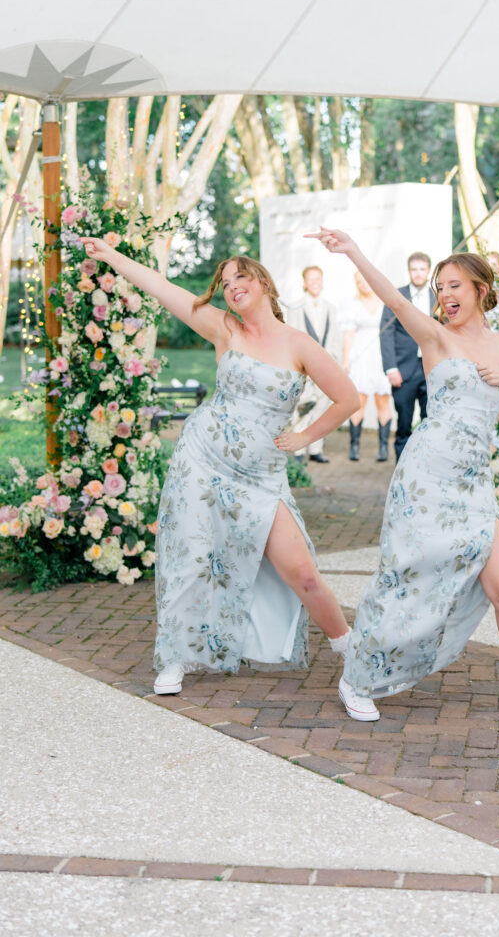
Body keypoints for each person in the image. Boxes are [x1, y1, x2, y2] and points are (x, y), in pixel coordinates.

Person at [306, 228, 499, 722]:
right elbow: (390, 295)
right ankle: (358, 677)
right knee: (405, 578)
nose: (445, 295)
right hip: (428, 475)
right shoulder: (434, 336)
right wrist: (353, 252)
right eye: (440, 287)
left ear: (480, 289)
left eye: (455, 285)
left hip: (475, 480)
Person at [81, 237, 358, 696]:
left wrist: (307, 436)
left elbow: (348, 397)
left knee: (302, 570)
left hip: (261, 476)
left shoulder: (299, 344)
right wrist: (111, 257)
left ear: (263, 282)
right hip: (201, 462)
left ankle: (350, 649)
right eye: (224, 283)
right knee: (190, 558)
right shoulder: (224, 329)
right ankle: (176, 656)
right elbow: (160, 286)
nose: (231, 287)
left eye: (240, 278)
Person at [379, 252, 432, 461]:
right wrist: (391, 368)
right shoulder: (396, 295)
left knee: (431, 421)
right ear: (409, 271)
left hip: (430, 368)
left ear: (428, 270)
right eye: (414, 269)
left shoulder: (437, 296)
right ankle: (402, 467)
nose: (418, 273)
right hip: (403, 370)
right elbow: (386, 332)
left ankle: (427, 465)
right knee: (404, 423)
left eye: (422, 269)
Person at [286, 265, 341, 464]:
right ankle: (299, 451)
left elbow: (335, 339)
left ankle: (316, 449)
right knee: (302, 406)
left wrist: (337, 366)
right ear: (304, 283)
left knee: (322, 407)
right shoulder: (295, 307)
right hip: (304, 368)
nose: (315, 282)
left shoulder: (331, 308)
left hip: (326, 368)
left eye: (318, 278)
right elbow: (291, 339)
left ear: (322, 281)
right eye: (311, 279)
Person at [341, 271, 393, 462]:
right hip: (360, 356)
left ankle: (383, 448)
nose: (364, 285)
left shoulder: (385, 302)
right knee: (359, 401)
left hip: (382, 355)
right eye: (359, 282)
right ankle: (354, 447)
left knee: (382, 400)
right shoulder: (352, 305)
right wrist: (345, 360)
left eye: (366, 280)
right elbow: (348, 334)